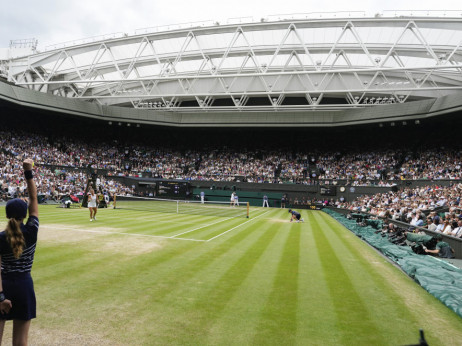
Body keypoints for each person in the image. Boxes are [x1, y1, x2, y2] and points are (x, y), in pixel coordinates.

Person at [0, 158, 38, 345]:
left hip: (3, 287)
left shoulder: (0, 237)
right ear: (25, 215)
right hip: (24, 286)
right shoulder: (31, 231)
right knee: (20, 342)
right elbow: (34, 199)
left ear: (7, 215)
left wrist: (1, 297)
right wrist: (28, 171)